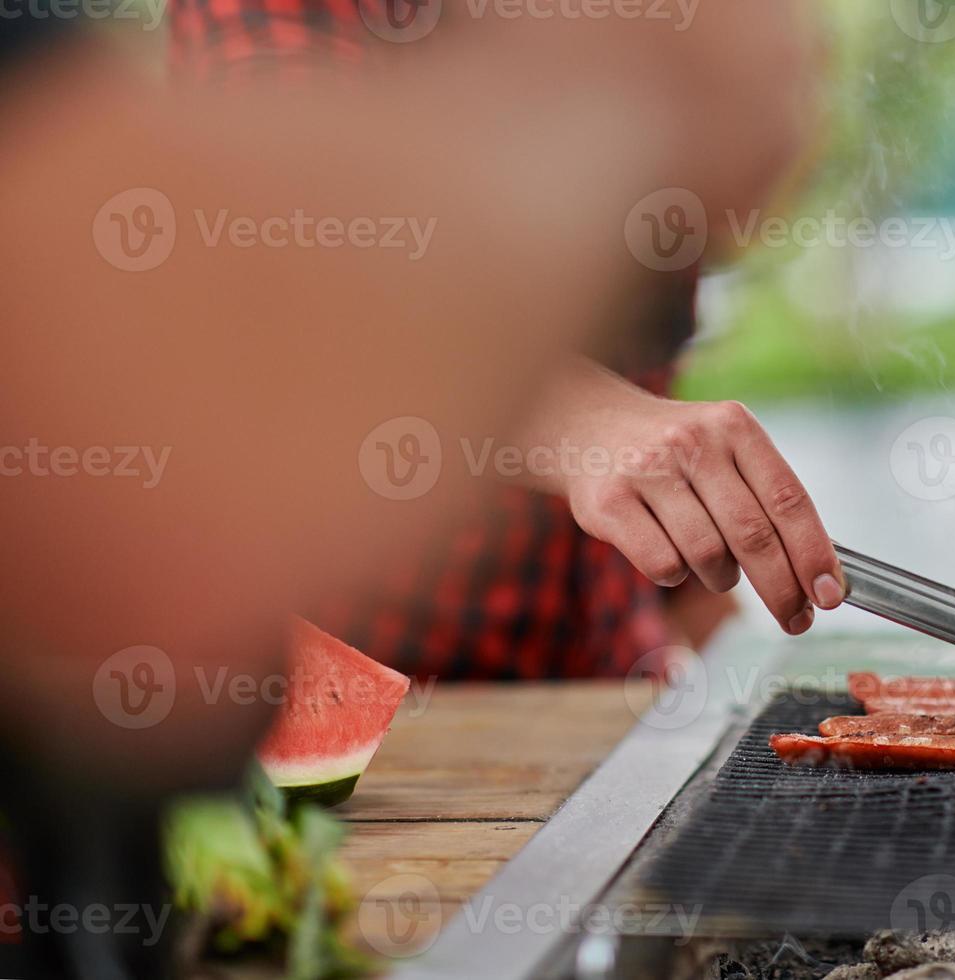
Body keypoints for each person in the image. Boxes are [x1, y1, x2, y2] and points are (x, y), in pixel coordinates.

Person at [0, 4, 829, 974]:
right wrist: (632, 92)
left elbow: (633, 344)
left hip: (602, 696)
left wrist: (690, 603)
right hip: (358, 738)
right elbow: (268, 271)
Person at [170, 0, 847, 684]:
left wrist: (710, 604)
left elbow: (651, 339)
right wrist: (585, 426)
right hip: (378, 689)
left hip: (610, 679)